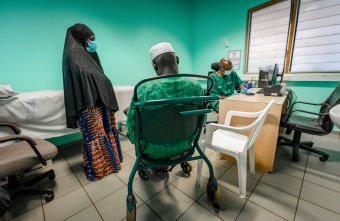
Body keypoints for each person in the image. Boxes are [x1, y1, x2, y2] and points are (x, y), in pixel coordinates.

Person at [62, 23, 123, 181]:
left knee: (101, 132)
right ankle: (100, 168)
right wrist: (103, 82)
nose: (92, 42)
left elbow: (97, 72)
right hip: (89, 103)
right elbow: (86, 76)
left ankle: (108, 163)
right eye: (90, 39)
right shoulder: (74, 52)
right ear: (80, 37)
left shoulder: (83, 52)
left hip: (97, 99)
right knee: (95, 135)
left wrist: (94, 56)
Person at [126, 42, 204, 160]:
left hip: (151, 150)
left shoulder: (144, 89)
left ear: (154, 65)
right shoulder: (195, 86)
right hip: (185, 145)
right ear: (177, 60)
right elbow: (201, 117)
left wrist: (134, 140)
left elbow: (132, 124)